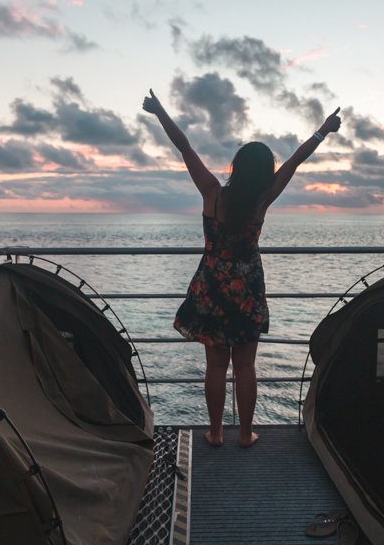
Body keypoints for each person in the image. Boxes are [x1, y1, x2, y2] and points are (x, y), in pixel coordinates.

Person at [142, 89, 341, 447]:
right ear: (264, 173)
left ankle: (216, 432)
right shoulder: (262, 200)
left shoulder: (212, 193)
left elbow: (185, 148)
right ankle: (246, 433)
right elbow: (295, 162)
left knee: (215, 365)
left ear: (235, 167)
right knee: (246, 366)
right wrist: (322, 131)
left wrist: (159, 112)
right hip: (247, 289)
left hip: (212, 286)